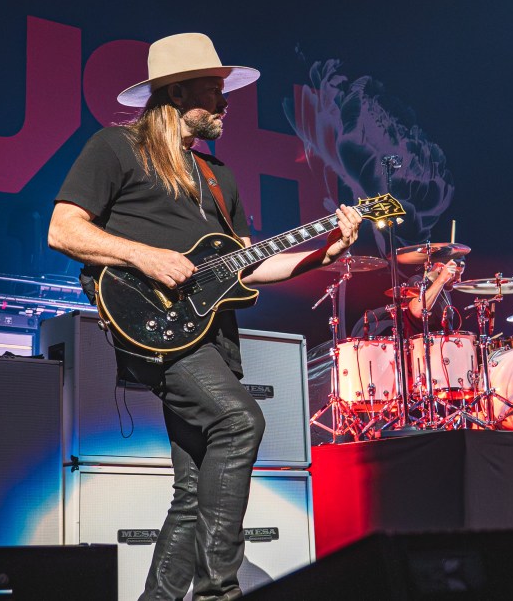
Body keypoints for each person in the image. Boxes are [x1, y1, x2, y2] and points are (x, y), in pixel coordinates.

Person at [47, 32, 362, 601]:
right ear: (175, 93)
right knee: (240, 422)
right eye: (214, 91)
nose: (225, 103)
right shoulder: (116, 148)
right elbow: (63, 229)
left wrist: (325, 252)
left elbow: (247, 267)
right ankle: (220, 592)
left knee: (192, 491)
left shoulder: (220, 177)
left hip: (212, 336)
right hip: (157, 329)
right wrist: (145, 256)